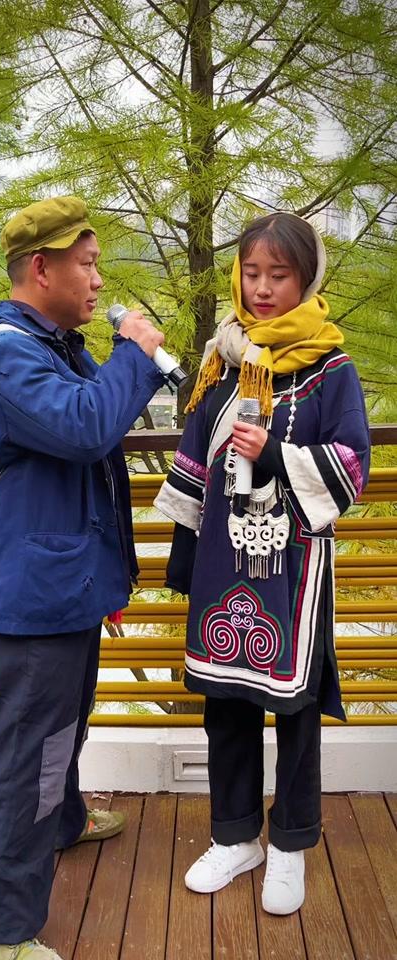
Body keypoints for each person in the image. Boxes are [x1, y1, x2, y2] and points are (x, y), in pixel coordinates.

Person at [0, 195, 165, 960]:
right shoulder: (5, 353)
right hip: (33, 600)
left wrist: (103, 582)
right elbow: (87, 428)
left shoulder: (56, 344)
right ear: (40, 268)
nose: (97, 279)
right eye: (86, 264)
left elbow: (88, 435)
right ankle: (4, 936)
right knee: (26, 760)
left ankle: (66, 822)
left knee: (64, 729)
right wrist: (136, 354)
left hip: (66, 586)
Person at [154, 212, 370, 915]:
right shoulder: (225, 357)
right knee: (225, 701)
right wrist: (184, 550)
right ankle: (236, 836)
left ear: (307, 278)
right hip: (223, 558)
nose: (264, 288)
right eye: (252, 274)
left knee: (295, 708)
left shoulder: (330, 368)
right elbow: (194, 450)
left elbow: (351, 462)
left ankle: (290, 845)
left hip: (296, 566)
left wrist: (276, 454)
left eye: (279, 275)